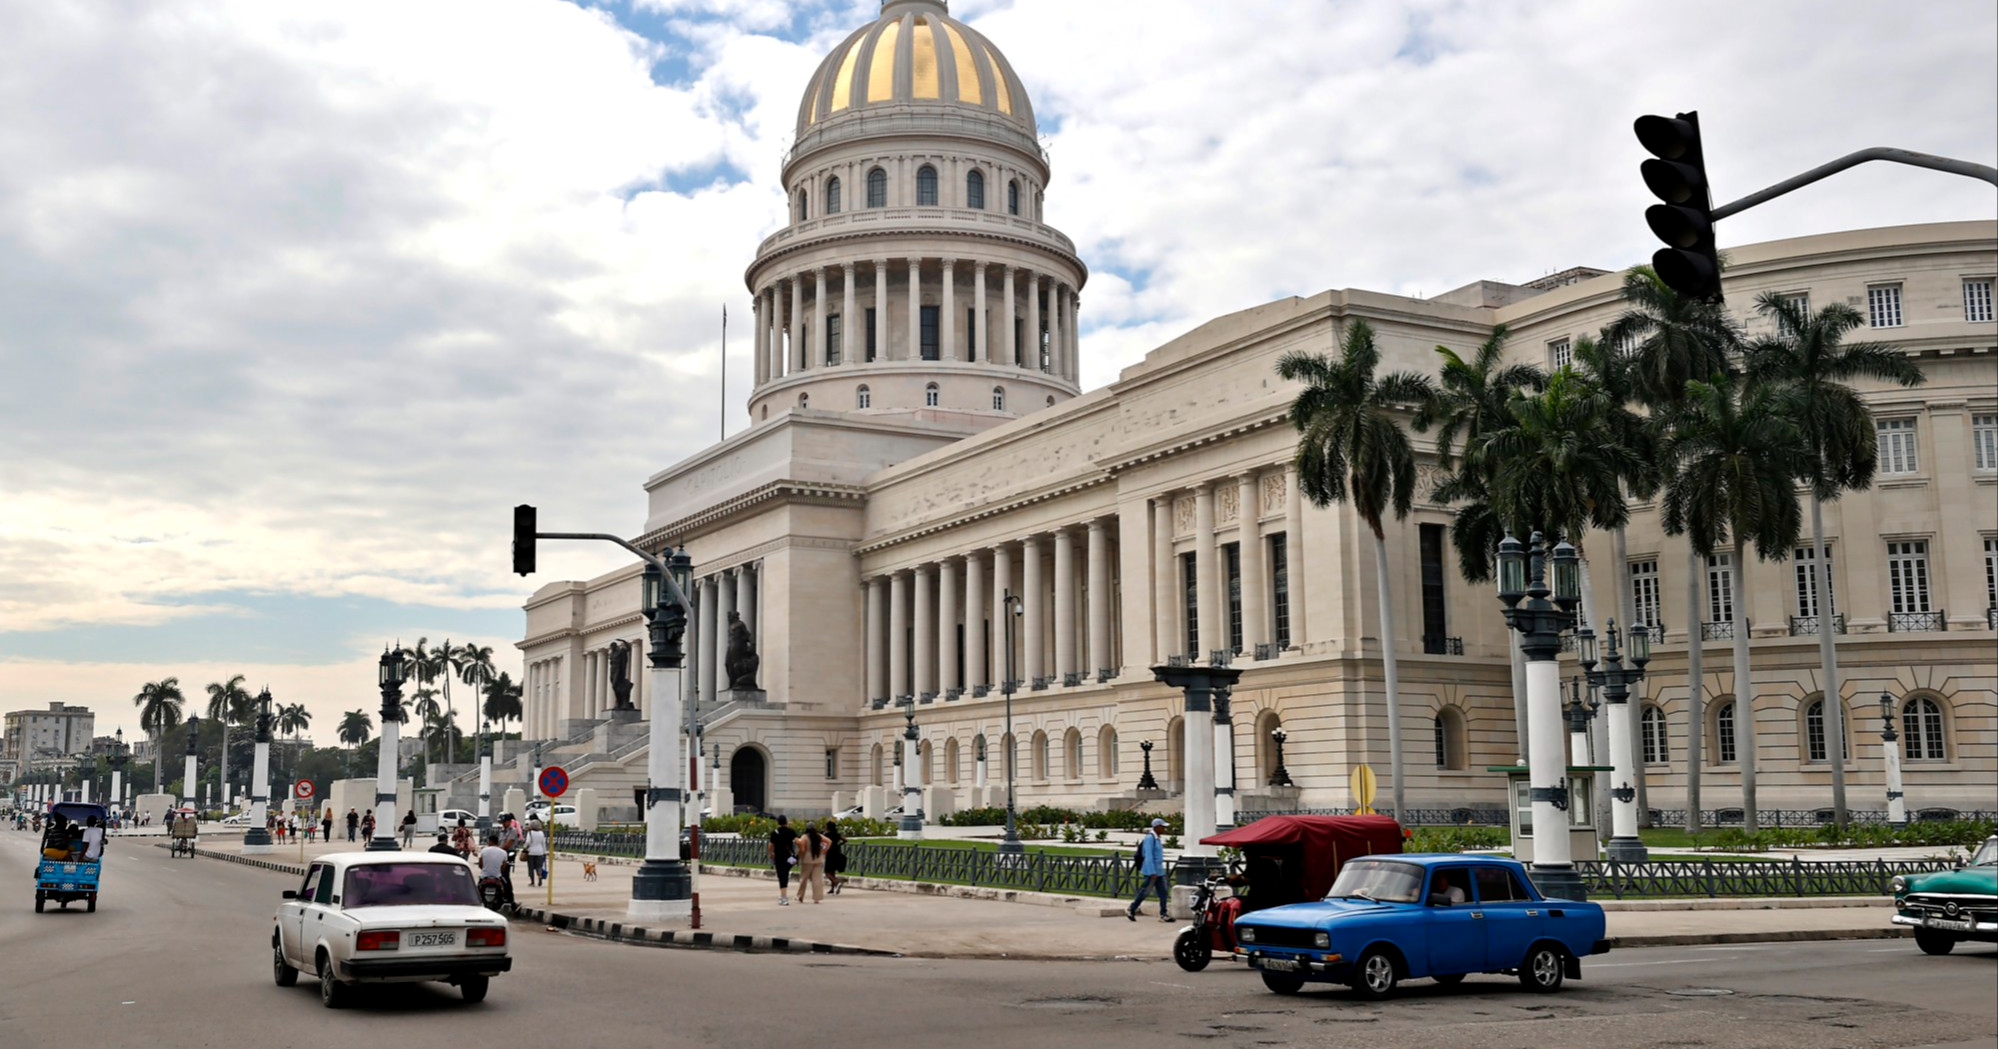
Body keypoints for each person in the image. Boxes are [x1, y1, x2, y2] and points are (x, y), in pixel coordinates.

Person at [1126, 818, 1171, 923]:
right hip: (1152, 872)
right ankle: (1131, 909)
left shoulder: (1157, 838)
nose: (1164, 829)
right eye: (1162, 827)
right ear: (1157, 827)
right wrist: (1152, 872)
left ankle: (1163, 914)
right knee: (1144, 892)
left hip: (1159, 871)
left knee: (1163, 892)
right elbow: (1148, 856)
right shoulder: (1150, 838)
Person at [767, 815, 798, 905]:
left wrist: (771, 853)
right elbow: (799, 842)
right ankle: (783, 896)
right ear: (786, 822)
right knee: (785, 874)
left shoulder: (775, 832)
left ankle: (783, 897)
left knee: (782, 876)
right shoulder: (791, 831)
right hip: (790, 857)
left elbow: (770, 846)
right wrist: (799, 853)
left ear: (778, 822)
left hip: (779, 858)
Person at [795, 823, 827, 904]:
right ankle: (817, 898)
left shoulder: (804, 837)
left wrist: (797, 856)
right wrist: (823, 851)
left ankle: (800, 896)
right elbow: (829, 841)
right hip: (818, 859)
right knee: (817, 879)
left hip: (807, 859)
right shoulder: (819, 836)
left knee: (804, 878)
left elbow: (802, 849)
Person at [824, 818, 848, 895]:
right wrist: (839, 844)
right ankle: (832, 888)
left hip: (830, 854)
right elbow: (845, 840)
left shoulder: (827, 835)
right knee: (833, 871)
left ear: (828, 827)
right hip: (837, 852)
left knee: (827, 872)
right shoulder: (837, 834)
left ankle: (836, 882)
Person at [523, 818, 548, 886]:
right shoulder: (541, 833)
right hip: (540, 852)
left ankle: (532, 881)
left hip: (531, 852)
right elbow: (543, 843)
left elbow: (528, 842)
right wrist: (544, 852)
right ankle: (539, 876)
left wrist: (524, 847)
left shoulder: (530, 833)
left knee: (531, 867)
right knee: (539, 866)